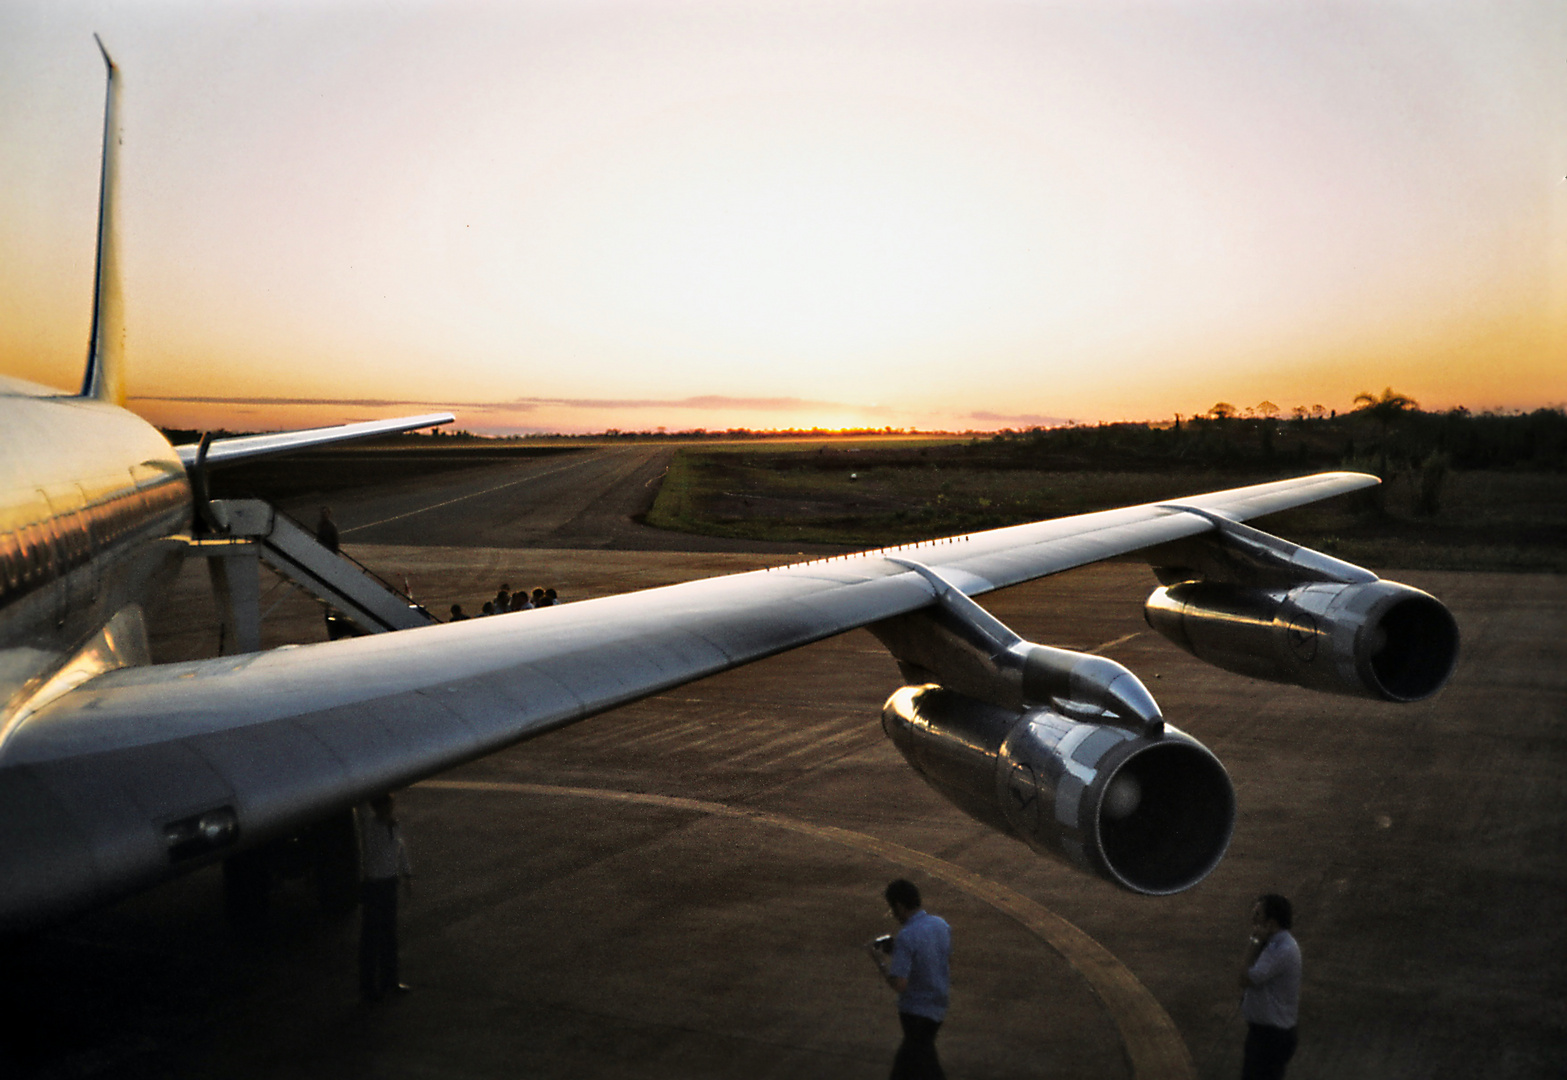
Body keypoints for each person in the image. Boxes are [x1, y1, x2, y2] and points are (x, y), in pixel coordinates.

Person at [867, 878, 950, 1080]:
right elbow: (935, 957)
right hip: (938, 1006)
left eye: (892, 909)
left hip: (916, 1013)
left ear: (899, 906)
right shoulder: (941, 925)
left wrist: (880, 962)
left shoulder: (906, 936)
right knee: (918, 1064)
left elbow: (900, 984)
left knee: (913, 1067)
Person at [1239, 893, 1301, 1080]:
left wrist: (1254, 941)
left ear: (1272, 923)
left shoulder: (1280, 950)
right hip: (1267, 1034)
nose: (1253, 918)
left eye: (1258, 915)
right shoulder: (1276, 944)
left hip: (1270, 1038)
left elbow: (1245, 978)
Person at [358, 793, 413, 1002]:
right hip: (375, 885)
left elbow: (401, 850)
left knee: (389, 935)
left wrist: (406, 873)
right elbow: (361, 805)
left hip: (389, 883)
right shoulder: (370, 826)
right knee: (372, 938)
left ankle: (389, 981)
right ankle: (369, 987)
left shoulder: (393, 825)